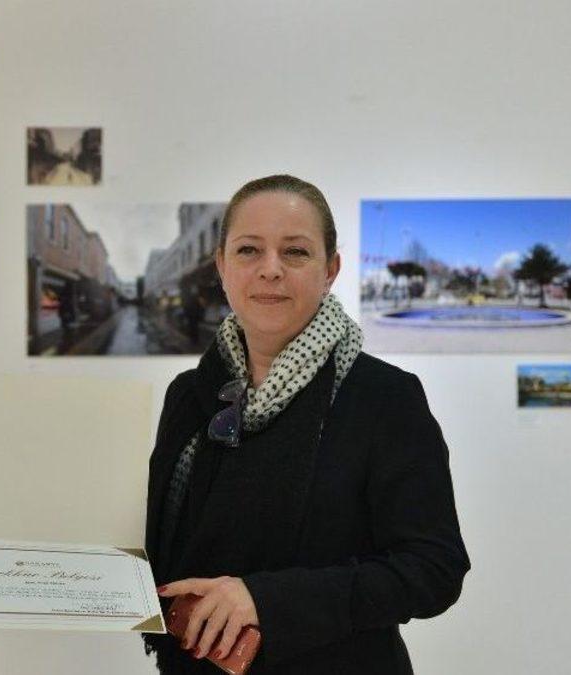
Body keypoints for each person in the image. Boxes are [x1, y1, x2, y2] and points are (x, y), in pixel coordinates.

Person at [145, 175, 469, 673]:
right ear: (222, 266)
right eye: (249, 250)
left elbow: (433, 569)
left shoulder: (384, 397)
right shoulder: (189, 394)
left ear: (330, 269)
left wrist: (266, 600)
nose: (270, 269)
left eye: (295, 252)